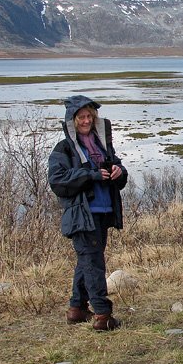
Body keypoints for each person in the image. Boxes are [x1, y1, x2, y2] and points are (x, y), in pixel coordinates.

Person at [48, 95, 128, 331]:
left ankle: (77, 309)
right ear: (72, 120)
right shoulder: (63, 149)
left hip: (103, 210)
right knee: (93, 263)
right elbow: (57, 181)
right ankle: (103, 316)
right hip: (82, 214)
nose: (86, 121)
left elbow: (120, 172)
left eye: (89, 117)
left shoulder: (101, 143)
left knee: (88, 260)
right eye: (81, 117)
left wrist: (118, 172)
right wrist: (91, 175)